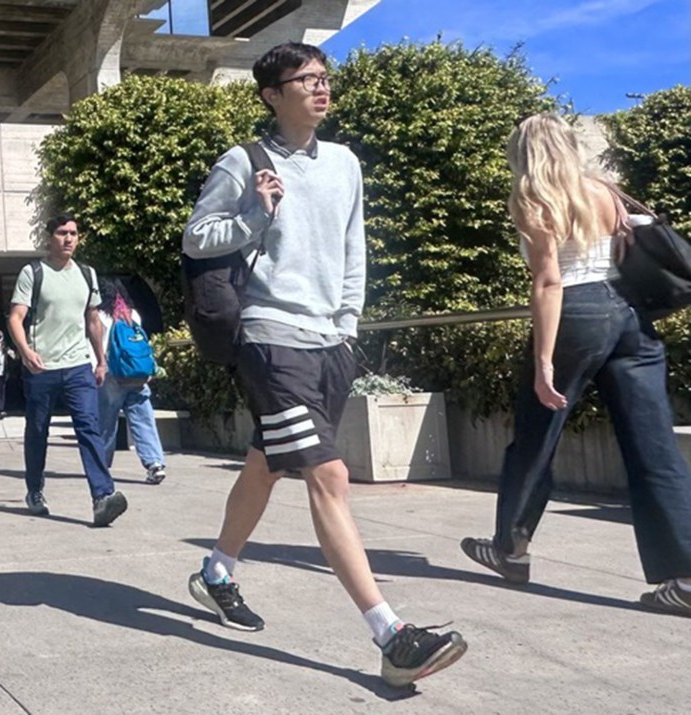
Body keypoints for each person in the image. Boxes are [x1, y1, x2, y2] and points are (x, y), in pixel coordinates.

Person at [182, 42, 466, 687]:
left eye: (323, 76)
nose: (320, 87)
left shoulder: (343, 163)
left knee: (266, 462)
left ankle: (215, 572)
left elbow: (352, 246)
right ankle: (392, 636)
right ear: (271, 95)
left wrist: (346, 325)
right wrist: (256, 212)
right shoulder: (244, 161)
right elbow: (196, 238)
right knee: (327, 474)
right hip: (269, 336)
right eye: (304, 79)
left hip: (328, 342)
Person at [460, 113, 691, 617]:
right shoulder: (604, 191)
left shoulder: (534, 198)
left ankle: (510, 549)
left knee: (537, 434)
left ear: (523, 153)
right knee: (653, 444)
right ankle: (686, 577)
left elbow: (548, 281)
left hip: (578, 313)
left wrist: (543, 360)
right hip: (629, 313)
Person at [7, 213, 128, 527]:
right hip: (41, 367)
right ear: (50, 237)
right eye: (62, 233)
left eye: (73, 233)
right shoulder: (33, 273)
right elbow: (15, 319)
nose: (69, 239)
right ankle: (35, 489)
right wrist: (26, 351)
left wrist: (101, 360)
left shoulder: (86, 275)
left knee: (88, 427)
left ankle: (103, 497)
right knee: (37, 431)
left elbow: (93, 322)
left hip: (78, 367)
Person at [96, 278, 168, 484]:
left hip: (113, 375)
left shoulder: (100, 316)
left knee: (106, 422)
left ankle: (101, 464)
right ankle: (154, 463)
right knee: (143, 420)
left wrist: (96, 370)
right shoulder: (132, 315)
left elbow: (99, 346)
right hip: (138, 376)